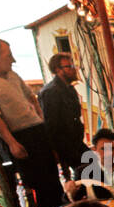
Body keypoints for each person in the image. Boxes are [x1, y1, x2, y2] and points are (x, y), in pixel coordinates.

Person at [0, 38, 65, 207]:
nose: (13, 60)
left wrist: (41, 120)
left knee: (54, 180)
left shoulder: (12, 74)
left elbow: (30, 97)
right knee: (41, 186)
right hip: (21, 135)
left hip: (38, 129)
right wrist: (12, 143)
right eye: (8, 56)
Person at [38, 53, 89, 182]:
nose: (74, 69)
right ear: (57, 70)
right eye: (69, 66)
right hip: (65, 145)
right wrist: (57, 153)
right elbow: (51, 125)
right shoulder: (51, 92)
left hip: (76, 142)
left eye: (73, 65)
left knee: (92, 166)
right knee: (88, 170)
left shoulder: (69, 89)